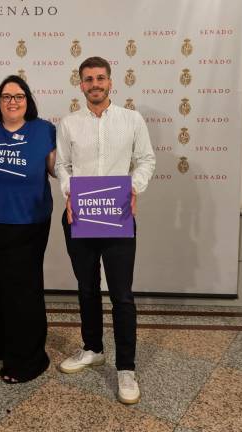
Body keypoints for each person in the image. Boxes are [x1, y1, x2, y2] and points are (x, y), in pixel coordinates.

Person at [54, 56, 155, 404]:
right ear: (80, 84)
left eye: (100, 78)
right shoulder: (68, 123)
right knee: (86, 288)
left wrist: (134, 187)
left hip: (117, 216)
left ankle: (126, 367)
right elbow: (63, 165)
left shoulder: (132, 120)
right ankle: (92, 348)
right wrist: (68, 192)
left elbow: (146, 159)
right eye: (88, 79)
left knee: (122, 295)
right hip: (79, 215)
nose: (94, 84)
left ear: (111, 82)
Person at [0, 75, 56, 384]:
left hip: (27, 225)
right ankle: (4, 340)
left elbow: (60, 170)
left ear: (28, 100)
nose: (12, 101)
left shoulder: (43, 130)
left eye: (18, 96)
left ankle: (28, 359)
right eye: (6, 96)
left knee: (22, 293)